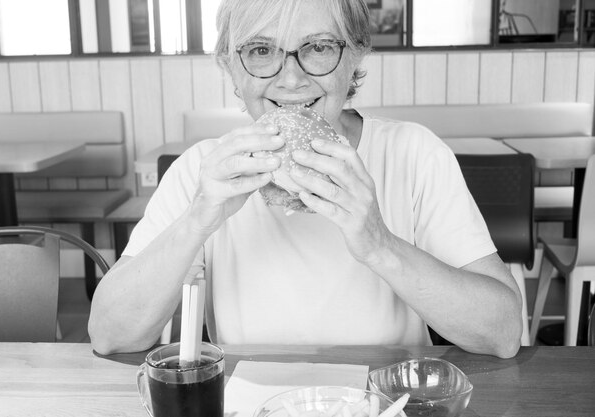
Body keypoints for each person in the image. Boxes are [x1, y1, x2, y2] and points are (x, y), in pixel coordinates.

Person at [89, 0, 522, 358]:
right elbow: (110, 335)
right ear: (230, 70)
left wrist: (379, 243)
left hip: (384, 399)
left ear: (353, 58)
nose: (291, 78)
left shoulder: (414, 153)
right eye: (261, 50)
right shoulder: (203, 169)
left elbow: (501, 333)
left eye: (317, 47)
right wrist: (198, 219)